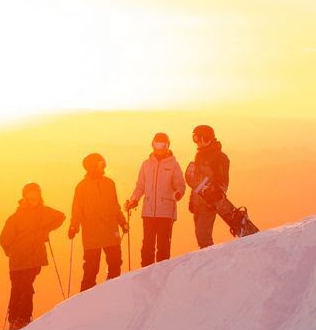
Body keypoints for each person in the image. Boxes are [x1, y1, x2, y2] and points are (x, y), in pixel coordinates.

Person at [0, 182, 64, 330]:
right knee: (17, 288)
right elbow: (4, 239)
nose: (34, 200)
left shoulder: (43, 212)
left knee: (25, 287)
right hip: (18, 260)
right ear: (25, 198)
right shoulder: (15, 218)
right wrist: (11, 251)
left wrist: (44, 230)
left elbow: (60, 217)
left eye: (36, 197)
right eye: (31, 197)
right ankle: (15, 320)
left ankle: (21, 319)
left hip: (33, 259)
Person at [68, 153, 127, 291]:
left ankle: (111, 291)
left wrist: (122, 222)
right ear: (92, 167)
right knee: (91, 269)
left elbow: (115, 206)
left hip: (109, 233)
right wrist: (73, 227)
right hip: (92, 235)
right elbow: (77, 210)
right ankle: (86, 298)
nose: (104, 166)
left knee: (115, 263)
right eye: (101, 164)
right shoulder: (82, 187)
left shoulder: (109, 183)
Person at [125, 131, 185, 266]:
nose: (159, 148)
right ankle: (145, 272)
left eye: (162, 145)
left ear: (167, 146)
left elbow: (180, 185)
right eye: (157, 144)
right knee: (147, 244)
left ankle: (162, 272)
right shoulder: (146, 164)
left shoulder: (173, 164)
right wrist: (134, 200)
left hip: (166, 212)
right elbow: (140, 185)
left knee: (163, 245)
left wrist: (178, 193)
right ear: (152, 145)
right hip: (148, 211)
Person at [185, 124, 232, 249]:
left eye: (197, 138)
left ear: (206, 138)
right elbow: (195, 180)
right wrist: (192, 199)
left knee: (203, 235)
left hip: (209, 202)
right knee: (199, 236)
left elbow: (223, 180)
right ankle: (208, 261)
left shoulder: (220, 157)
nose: (196, 142)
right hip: (198, 202)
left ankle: (211, 261)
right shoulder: (199, 156)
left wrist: (217, 194)